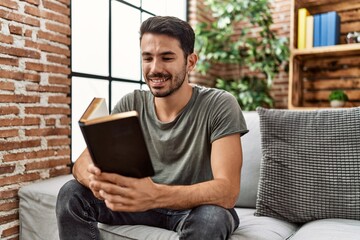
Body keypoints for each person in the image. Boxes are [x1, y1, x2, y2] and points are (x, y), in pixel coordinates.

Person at [56, 16, 248, 240]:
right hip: (140, 204)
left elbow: (227, 191)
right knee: (71, 193)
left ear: (191, 62)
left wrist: (155, 195)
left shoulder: (220, 104)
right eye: (147, 58)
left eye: (167, 58)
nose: (155, 68)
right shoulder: (131, 103)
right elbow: (81, 163)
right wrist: (96, 183)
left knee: (213, 219)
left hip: (192, 208)